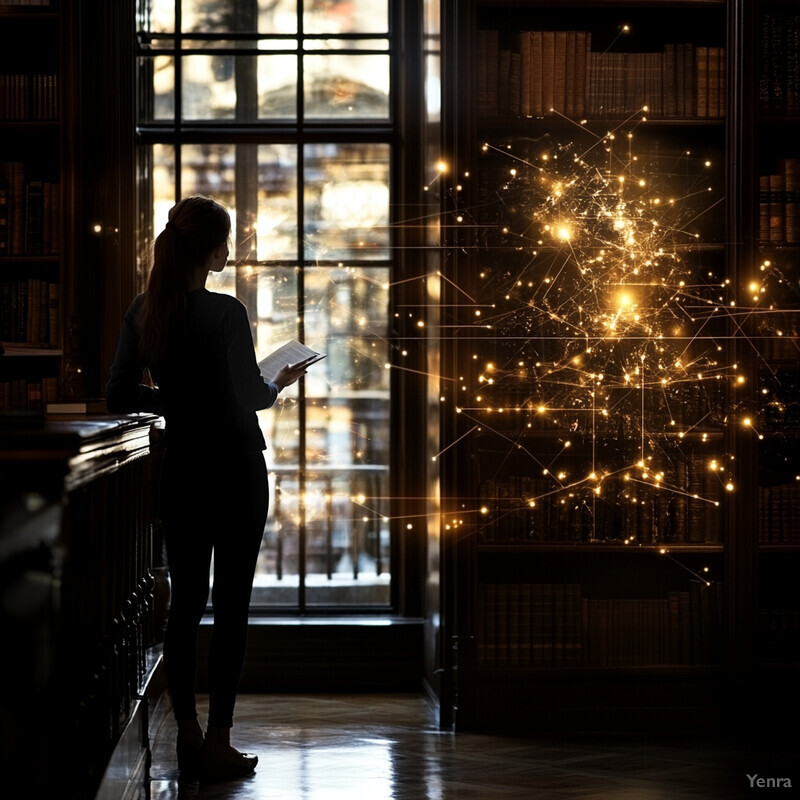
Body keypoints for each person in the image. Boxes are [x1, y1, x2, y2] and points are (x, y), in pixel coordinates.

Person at [106, 196, 307, 782]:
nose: (229, 250)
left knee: (184, 606)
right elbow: (247, 396)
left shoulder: (146, 309)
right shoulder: (226, 313)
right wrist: (279, 383)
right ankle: (220, 742)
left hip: (184, 469)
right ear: (208, 249)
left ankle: (187, 736)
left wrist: (174, 401)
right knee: (233, 606)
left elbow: (120, 396)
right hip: (237, 469)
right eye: (225, 240)